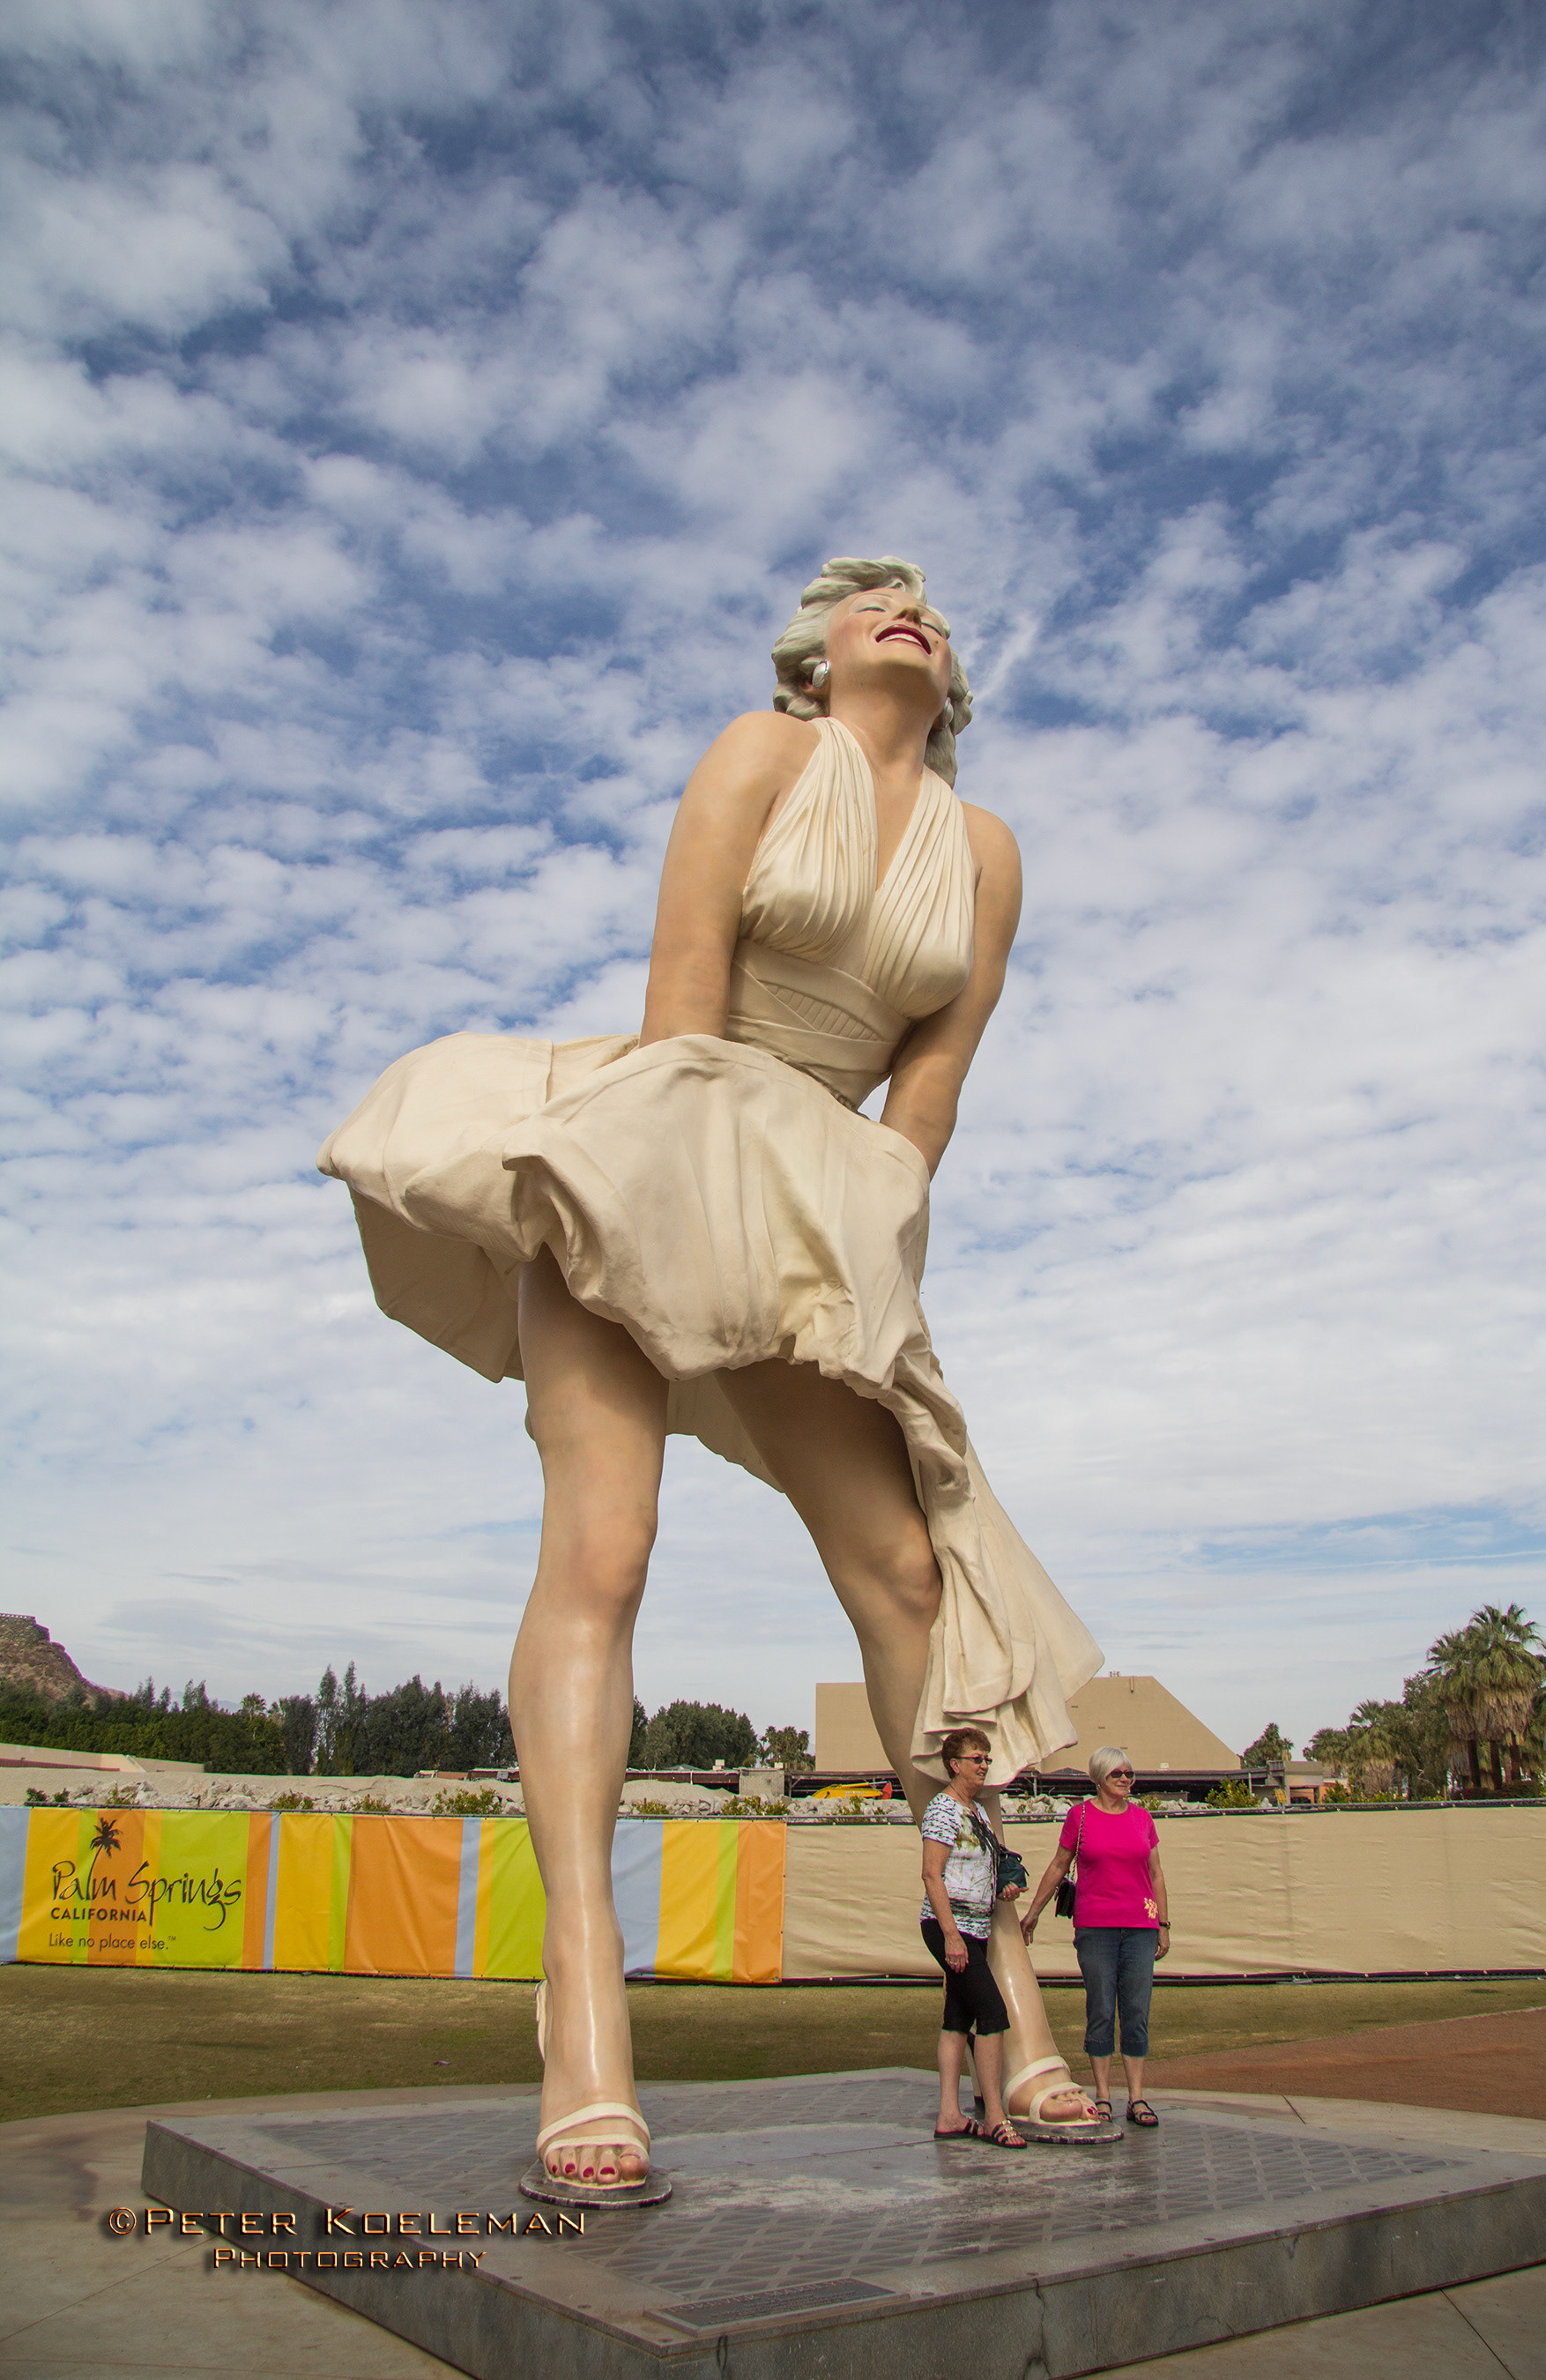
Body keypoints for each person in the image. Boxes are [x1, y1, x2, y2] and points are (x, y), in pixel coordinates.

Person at [318, 555, 1104, 2198]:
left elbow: (929, 1107)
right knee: (605, 1547)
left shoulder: (987, 855)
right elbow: (684, 1010)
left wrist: (865, 1276)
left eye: (932, 607)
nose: (909, 609)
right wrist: (682, 1228)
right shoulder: (759, 754)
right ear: (814, 654)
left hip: (819, 1209)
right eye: (868, 596)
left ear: (950, 678)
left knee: (902, 1570)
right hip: (656, 1149)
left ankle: (1007, 1993)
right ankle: (584, 2013)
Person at [1022, 1745, 1171, 2128]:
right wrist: (1034, 1912)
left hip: (1140, 1926)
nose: (1125, 1780)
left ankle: (1137, 2097)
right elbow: (1059, 1865)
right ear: (1099, 1777)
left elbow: (1156, 1874)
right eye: (1117, 1774)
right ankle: (1103, 2095)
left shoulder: (1142, 1819)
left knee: (1136, 2010)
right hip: (1095, 1927)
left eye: (1129, 1773)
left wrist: (1163, 1925)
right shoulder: (1080, 1816)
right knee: (1101, 2007)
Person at [920, 1727, 1027, 2146]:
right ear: (954, 1764)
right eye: (976, 1759)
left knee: (956, 2019)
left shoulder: (978, 1812)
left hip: (976, 1927)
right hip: (950, 1927)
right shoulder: (942, 1810)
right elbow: (932, 1874)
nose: (984, 1766)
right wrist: (951, 1936)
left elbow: (981, 1867)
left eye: (987, 1759)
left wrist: (1003, 1886)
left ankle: (949, 2114)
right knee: (994, 2014)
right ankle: (996, 2117)